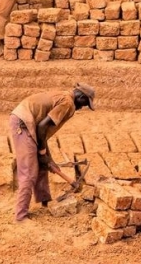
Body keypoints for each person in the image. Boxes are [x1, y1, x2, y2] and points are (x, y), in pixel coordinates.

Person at [10, 84, 96, 223]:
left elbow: (42, 130)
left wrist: (48, 159)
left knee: (43, 165)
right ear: (80, 97)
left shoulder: (64, 95)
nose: (83, 107)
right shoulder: (68, 103)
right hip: (24, 124)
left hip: (29, 123)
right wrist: (43, 153)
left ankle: (44, 202)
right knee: (29, 171)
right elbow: (42, 126)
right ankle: (21, 216)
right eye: (85, 103)